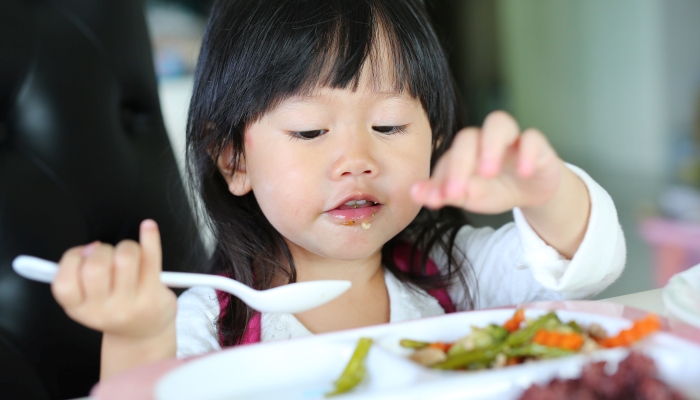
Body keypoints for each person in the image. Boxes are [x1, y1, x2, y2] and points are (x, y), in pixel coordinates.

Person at [50, 0, 625, 380]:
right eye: (310, 130)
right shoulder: (212, 324)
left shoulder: (458, 275)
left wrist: (544, 190)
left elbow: (583, 265)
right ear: (233, 159)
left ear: (436, 138)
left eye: (389, 126)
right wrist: (137, 335)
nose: (357, 161)